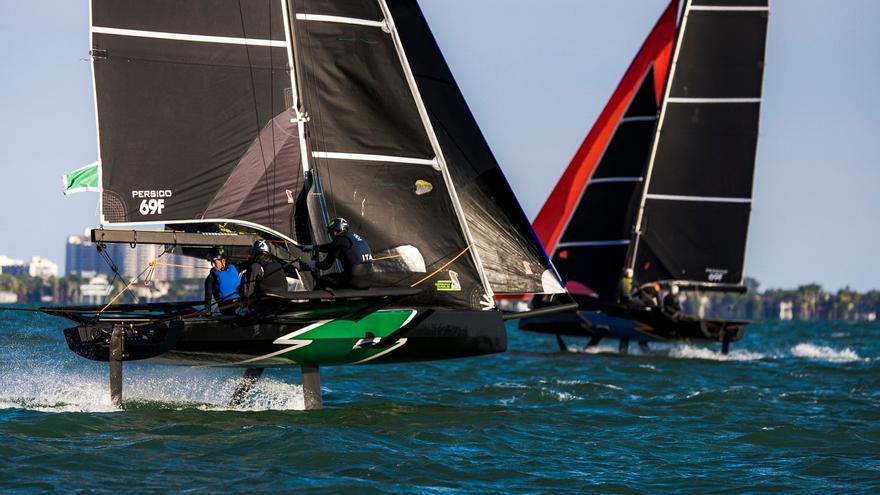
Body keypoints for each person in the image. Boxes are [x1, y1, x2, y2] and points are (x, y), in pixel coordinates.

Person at [301, 218, 373, 290]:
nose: (331, 235)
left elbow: (326, 265)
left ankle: (313, 301)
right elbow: (331, 247)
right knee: (340, 278)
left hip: (354, 281)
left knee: (322, 280)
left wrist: (313, 264)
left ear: (336, 231)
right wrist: (313, 247)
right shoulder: (352, 238)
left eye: (331, 232)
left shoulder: (339, 240)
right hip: (369, 280)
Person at [240, 239, 288, 310]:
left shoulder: (256, 266)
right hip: (282, 302)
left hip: (264, 305)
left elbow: (247, 292)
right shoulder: (278, 264)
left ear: (257, 253)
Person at [204, 248, 241, 315]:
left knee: (209, 280)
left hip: (226, 307)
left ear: (222, 261)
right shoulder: (233, 267)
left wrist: (207, 310)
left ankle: (208, 310)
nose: (214, 266)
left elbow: (208, 294)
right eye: (212, 263)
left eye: (215, 263)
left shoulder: (211, 277)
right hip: (240, 303)